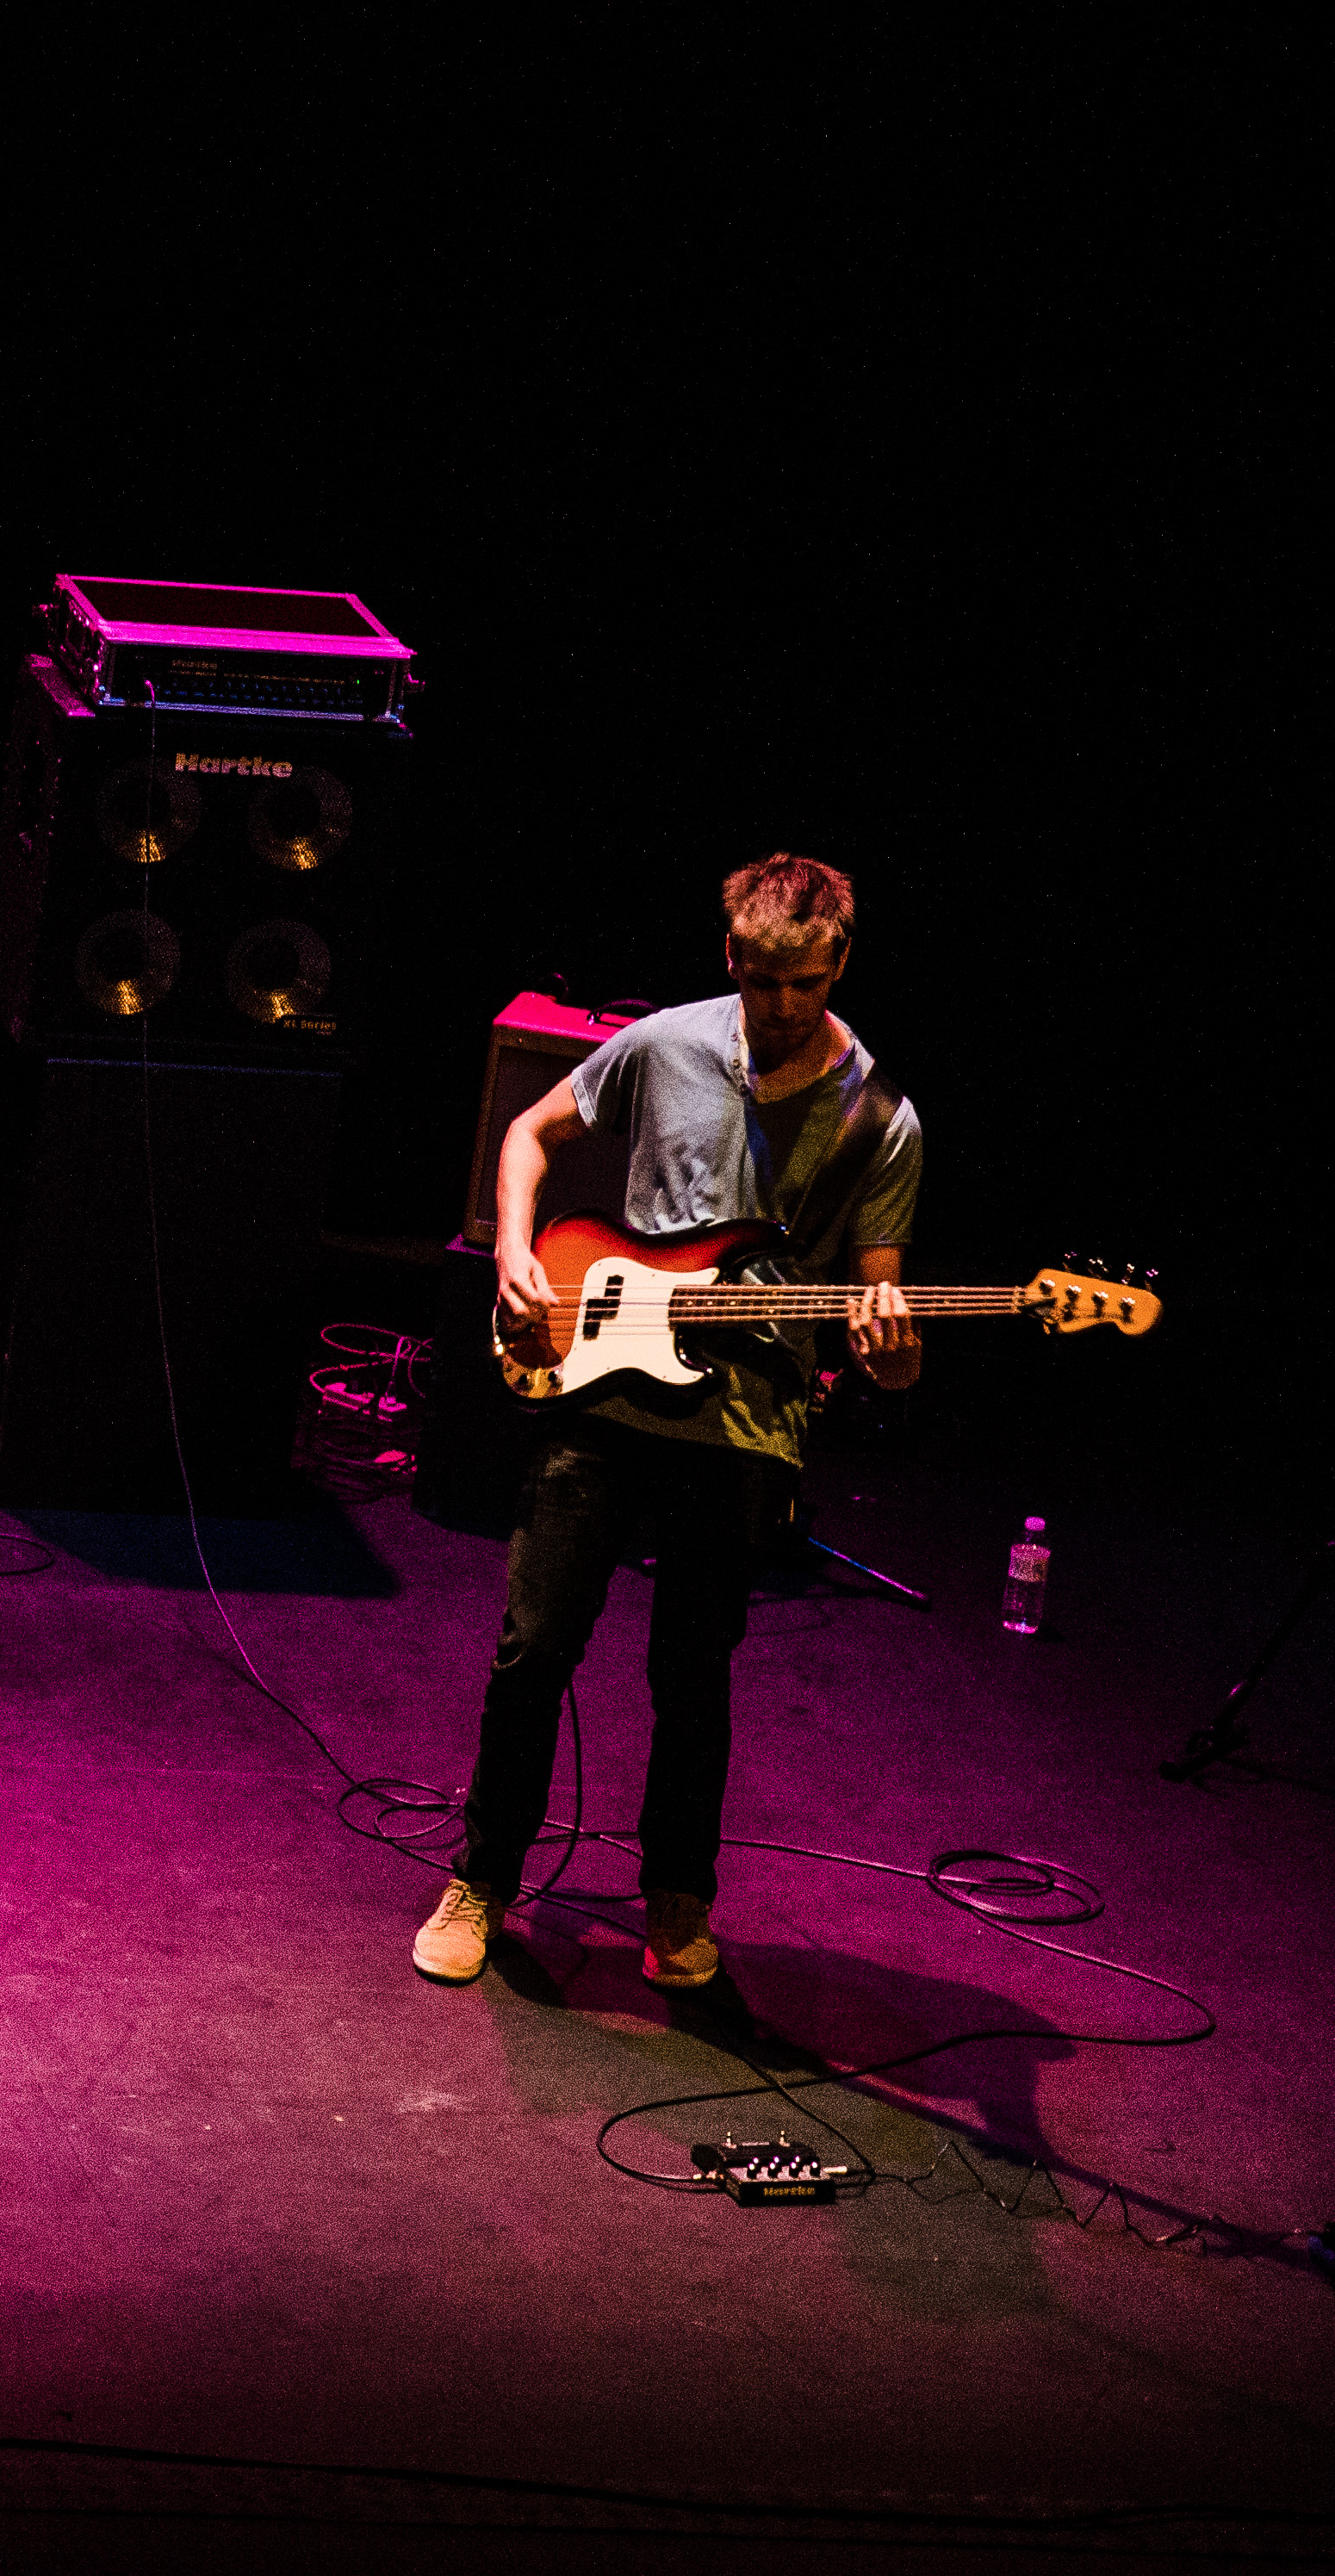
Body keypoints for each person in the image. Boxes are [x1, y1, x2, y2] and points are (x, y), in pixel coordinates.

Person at [412, 852, 924, 1996]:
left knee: (695, 1674)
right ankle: (482, 1879)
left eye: (807, 981)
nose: (785, 1005)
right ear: (732, 956)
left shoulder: (880, 1121)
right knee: (534, 1645)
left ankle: (679, 1900)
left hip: (742, 1425)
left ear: (840, 962)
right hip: (602, 1386)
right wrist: (512, 1256)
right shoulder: (663, 1045)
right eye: (764, 980)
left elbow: (877, 1303)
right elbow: (530, 1136)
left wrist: (893, 1352)